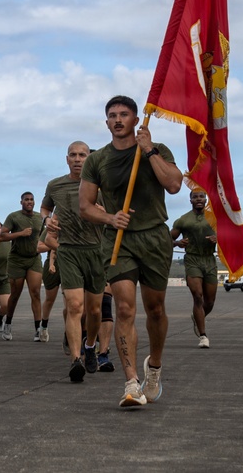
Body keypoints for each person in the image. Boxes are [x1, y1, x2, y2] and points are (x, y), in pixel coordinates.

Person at [80, 96, 183, 408]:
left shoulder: (157, 149)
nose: (118, 120)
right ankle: (131, 382)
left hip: (154, 237)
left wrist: (148, 149)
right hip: (118, 239)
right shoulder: (97, 160)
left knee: (155, 310)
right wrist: (110, 217)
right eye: (112, 115)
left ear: (136, 119)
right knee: (125, 309)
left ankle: (154, 368)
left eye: (124, 114)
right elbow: (85, 206)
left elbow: (175, 185)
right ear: (106, 122)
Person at [44, 141, 107, 382]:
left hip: (95, 251)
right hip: (68, 251)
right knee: (74, 306)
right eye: (73, 155)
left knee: (93, 310)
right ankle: (75, 359)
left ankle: (90, 345)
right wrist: (46, 220)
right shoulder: (55, 185)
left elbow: (117, 216)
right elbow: (45, 208)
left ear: (90, 159)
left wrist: (103, 213)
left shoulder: (101, 187)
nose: (78, 159)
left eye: (83, 155)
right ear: (66, 158)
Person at [171, 189, 218, 349]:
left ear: (206, 199)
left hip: (210, 260)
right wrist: (177, 243)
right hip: (192, 260)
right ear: (190, 200)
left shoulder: (214, 218)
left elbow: (228, 237)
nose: (199, 199)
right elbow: (167, 239)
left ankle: (197, 316)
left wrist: (218, 239)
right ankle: (203, 336)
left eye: (202, 196)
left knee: (209, 301)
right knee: (198, 297)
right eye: (195, 197)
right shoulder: (183, 220)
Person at [0, 192, 44, 341]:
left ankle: (38, 329)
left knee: (36, 293)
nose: (29, 202)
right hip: (17, 259)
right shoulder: (14, 217)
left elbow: (45, 237)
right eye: (26, 200)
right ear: (21, 202)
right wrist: (20, 233)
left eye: (31, 200)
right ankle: (8, 323)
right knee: (15, 294)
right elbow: (2, 236)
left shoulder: (40, 218)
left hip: (34, 258)